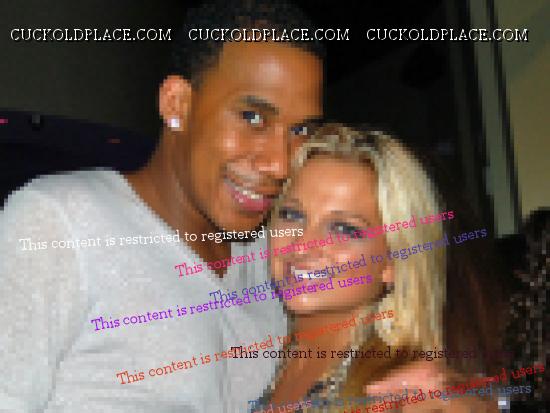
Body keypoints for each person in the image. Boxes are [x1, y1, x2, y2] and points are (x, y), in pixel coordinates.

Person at [0, 1, 323, 411]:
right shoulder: (60, 222)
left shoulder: (273, 256)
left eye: (300, 130)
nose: (280, 163)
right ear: (177, 104)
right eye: (252, 117)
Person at [253, 123, 500, 412]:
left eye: (344, 229)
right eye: (292, 214)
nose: (302, 245)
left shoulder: (401, 392)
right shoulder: (272, 352)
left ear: (394, 261)